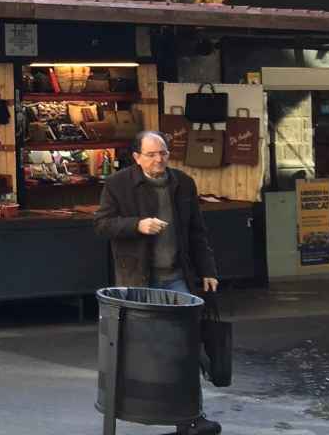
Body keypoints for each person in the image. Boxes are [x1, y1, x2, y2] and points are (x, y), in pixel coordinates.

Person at [95, 130, 221, 435]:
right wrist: (137, 225)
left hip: (177, 275)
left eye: (163, 153)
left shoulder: (182, 183)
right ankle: (141, 408)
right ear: (137, 157)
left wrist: (208, 269)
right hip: (140, 279)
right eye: (151, 154)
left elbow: (196, 231)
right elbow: (102, 225)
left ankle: (191, 417)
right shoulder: (118, 184)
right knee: (144, 349)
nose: (159, 159)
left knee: (186, 345)